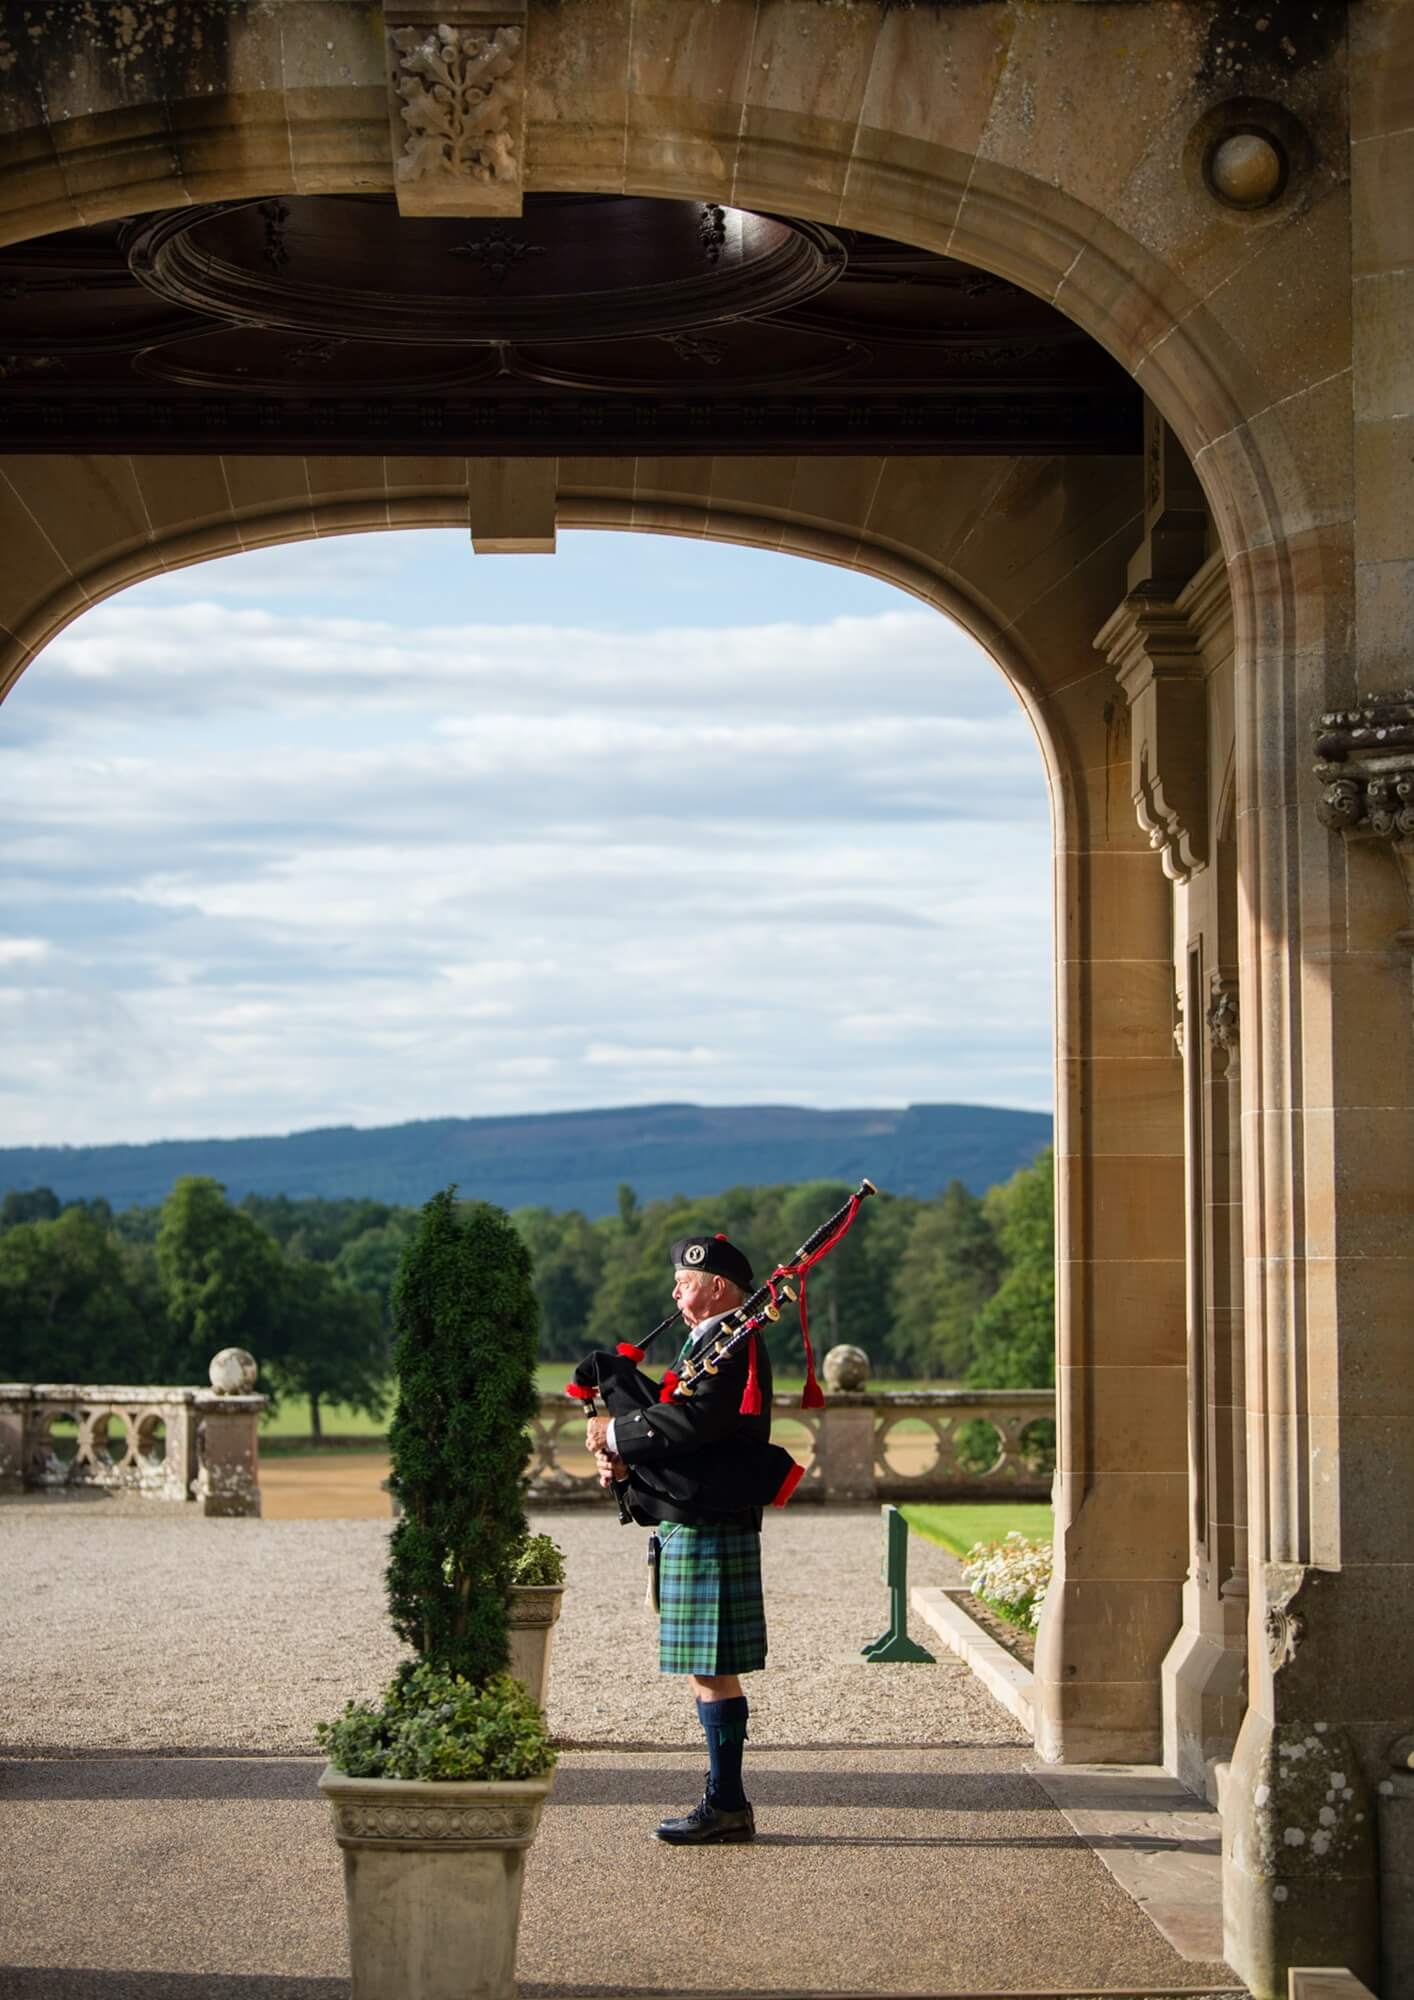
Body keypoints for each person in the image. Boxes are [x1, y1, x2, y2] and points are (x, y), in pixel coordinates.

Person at [584, 1231, 773, 1845]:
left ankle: (728, 1805)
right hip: (696, 1519)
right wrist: (625, 1451)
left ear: (717, 1286)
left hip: (711, 1522)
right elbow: (676, 1428)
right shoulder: (711, 1341)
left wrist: (617, 1436)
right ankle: (726, 1800)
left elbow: (696, 1423)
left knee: (711, 1669)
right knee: (705, 1669)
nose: (676, 1290)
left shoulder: (733, 1340)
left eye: (686, 1281)